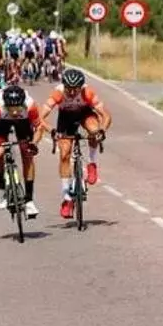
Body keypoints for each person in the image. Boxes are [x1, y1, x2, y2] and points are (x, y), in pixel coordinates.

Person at [37, 68, 112, 219]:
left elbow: (106, 115)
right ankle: (67, 198)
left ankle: (92, 163)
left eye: (75, 89)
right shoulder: (58, 93)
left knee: (94, 130)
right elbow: (40, 117)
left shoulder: (88, 92)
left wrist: (102, 131)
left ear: (81, 87)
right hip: (66, 119)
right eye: (68, 89)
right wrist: (52, 130)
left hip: (85, 114)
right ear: (64, 86)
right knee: (64, 154)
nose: (71, 92)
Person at [0, 84, 43, 218]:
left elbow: (39, 127)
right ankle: (1, 184)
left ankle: (29, 199)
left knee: (27, 153)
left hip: (23, 122)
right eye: (11, 108)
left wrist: (34, 143)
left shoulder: (30, 106)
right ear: (5, 105)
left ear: (23, 104)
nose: (14, 112)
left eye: (17, 108)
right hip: (2, 122)